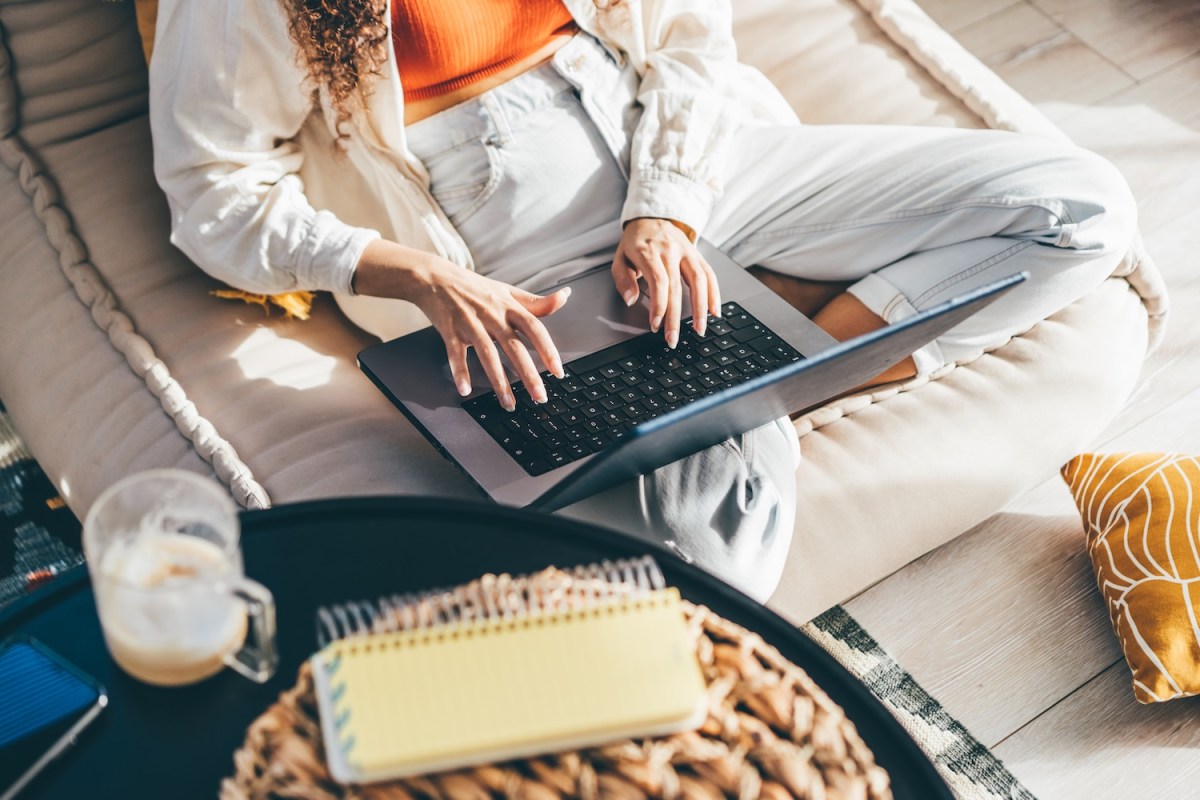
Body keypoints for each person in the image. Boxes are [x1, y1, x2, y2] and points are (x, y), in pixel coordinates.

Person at [149, 0, 1136, 601]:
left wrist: (667, 206)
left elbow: (691, 36)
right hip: (513, 235)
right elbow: (211, 193)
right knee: (719, 556)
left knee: (1084, 209)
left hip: (697, 153)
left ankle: (776, 333)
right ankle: (760, 337)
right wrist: (414, 273)